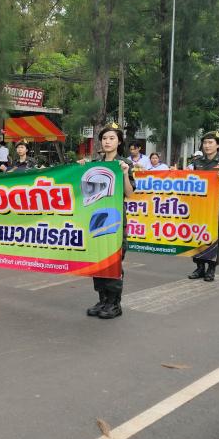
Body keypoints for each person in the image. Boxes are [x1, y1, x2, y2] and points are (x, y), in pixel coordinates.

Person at [78, 122, 134, 319]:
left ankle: (114, 303)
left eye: (112, 138)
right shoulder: (94, 164)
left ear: (119, 142)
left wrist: (125, 174)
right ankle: (102, 300)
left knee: (113, 260)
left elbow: (130, 193)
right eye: (104, 138)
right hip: (96, 219)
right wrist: (80, 169)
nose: (107, 142)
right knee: (98, 259)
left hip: (115, 220)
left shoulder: (124, 164)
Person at [187, 131, 219, 281]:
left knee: (214, 237)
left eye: (210, 143)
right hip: (198, 205)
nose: (207, 146)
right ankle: (199, 267)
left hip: (215, 205)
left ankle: (211, 269)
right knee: (197, 234)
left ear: (217, 145)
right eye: (205, 143)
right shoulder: (197, 162)